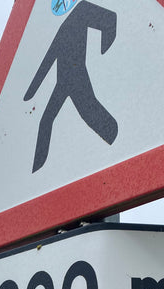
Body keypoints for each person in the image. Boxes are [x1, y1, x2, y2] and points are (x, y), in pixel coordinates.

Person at [24, 0, 118, 172]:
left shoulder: (80, 12)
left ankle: (115, 136)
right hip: (64, 81)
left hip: (77, 76)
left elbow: (110, 18)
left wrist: (106, 42)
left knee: (87, 111)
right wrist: (30, 92)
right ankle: (37, 168)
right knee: (46, 120)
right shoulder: (64, 28)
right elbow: (47, 62)